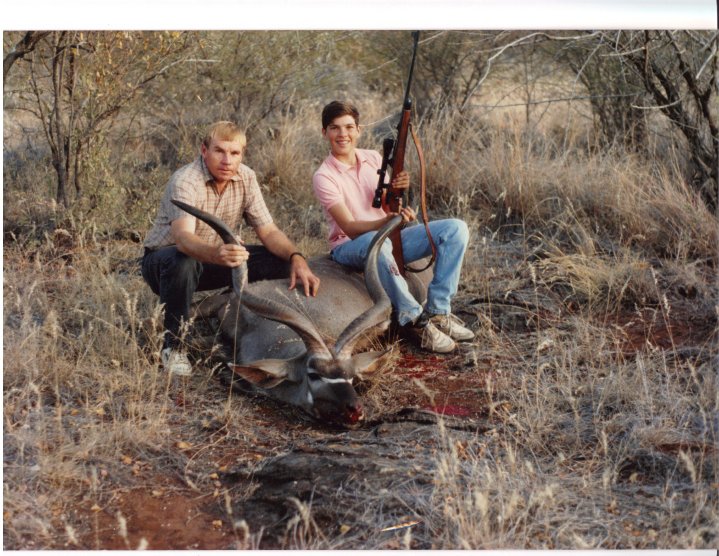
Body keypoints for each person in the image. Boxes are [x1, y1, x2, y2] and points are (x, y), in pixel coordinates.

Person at [142, 121, 321, 375]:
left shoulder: (246, 176)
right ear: (204, 150)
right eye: (219, 151)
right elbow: (183, 239)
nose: (227, 160)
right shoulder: (185, 180)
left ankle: (238, 322)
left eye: (234, 153)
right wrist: (216, 253)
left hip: (219, 257)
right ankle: (174, 346)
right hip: (165, 264)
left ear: (242, 154)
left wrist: (297, 257)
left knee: (281, 262)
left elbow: (269, 231)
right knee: (183, 261)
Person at [312, 100, 474, 354]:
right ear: (325, 133)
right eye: (335, 128)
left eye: (348, 127)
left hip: (386, 234)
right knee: (375, 242)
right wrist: (386, 223)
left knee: (456, 229)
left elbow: (389, 206)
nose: (343, 134)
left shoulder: (374, 157)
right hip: (350, 246)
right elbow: (350, 228)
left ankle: (439, 311)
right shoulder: (324, 176)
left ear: (359, 130)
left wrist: (399, 192)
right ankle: (414, 319)